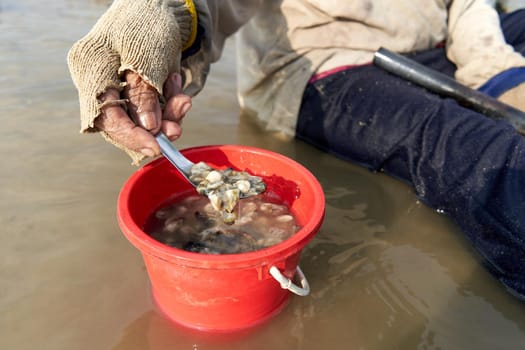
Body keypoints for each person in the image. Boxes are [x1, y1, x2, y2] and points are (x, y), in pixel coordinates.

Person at [68, 1, 525, 299]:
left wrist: (495, 72)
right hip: (327, 62)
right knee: (483, 154)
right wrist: (153, 19)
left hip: (445, 42)